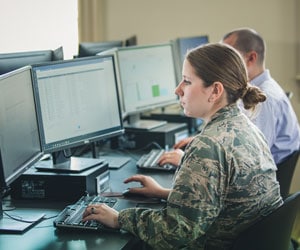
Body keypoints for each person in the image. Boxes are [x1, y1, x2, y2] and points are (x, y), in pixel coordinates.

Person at [82, 43, 283, 249]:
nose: (177, 90)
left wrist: (119, 219)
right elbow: (222, 201)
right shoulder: (246, 126)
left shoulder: (209, 146)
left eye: (187, 81)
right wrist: (164, 193)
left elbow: (175, 232)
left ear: (215, 91)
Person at [159, 28, 300, 167]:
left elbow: (249, 160)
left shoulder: (264, 100)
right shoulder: (256, 91)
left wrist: (190, 160)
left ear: (251, 58)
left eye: (229, 55)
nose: (219, 62)